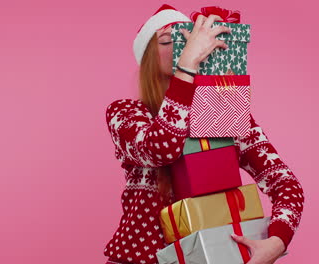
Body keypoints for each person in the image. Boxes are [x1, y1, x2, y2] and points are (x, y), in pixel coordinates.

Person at [103, 4, 304, 264]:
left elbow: (284, 182)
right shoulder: (126, 113)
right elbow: (160, 149)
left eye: (187, 39)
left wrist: (277, 241)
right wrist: (187, 68)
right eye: (168, 41)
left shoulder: (223, 111)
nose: (183, 46)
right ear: (149, 57)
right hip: (139, 258)